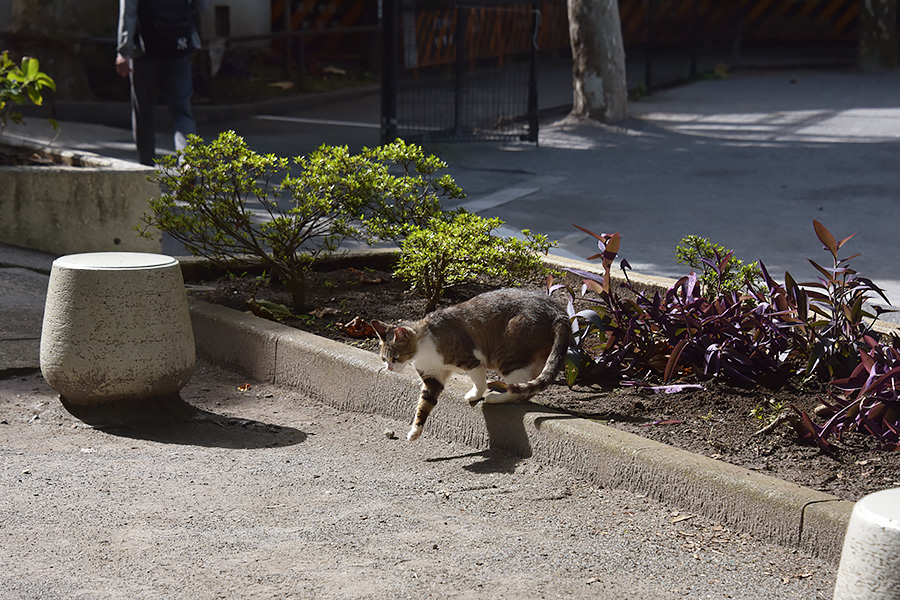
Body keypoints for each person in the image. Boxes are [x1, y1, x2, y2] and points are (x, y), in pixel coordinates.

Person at [115, 0, 209, 166]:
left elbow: (128, 12)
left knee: (144, 113)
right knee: (182, 112)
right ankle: (187, 165)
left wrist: (124, 50)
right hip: (179, 45)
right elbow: (202, 6)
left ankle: (146, 171)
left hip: (145, 50)